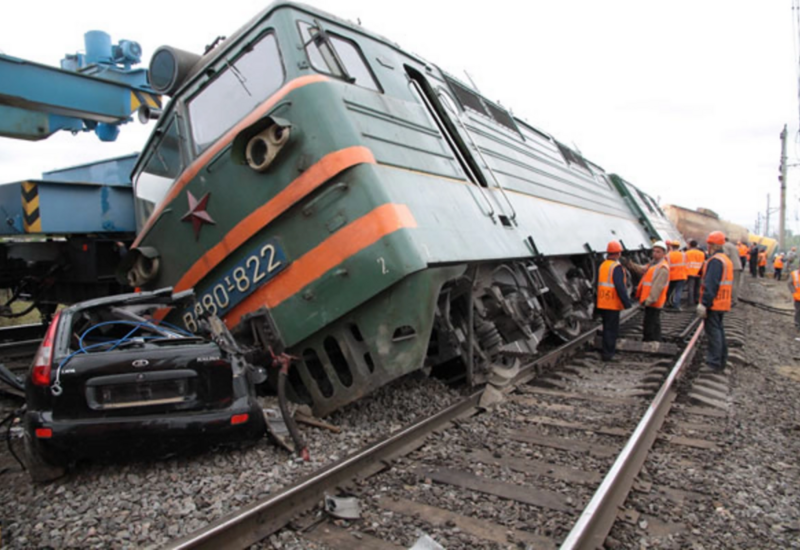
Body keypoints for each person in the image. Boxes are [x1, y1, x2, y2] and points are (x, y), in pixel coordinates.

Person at [697, 231, 733, 372]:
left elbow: (711, 284)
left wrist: (704, 303)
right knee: (719, 331)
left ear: (712, 245)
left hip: (715, 302)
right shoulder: (725, 259)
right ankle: (721, 360)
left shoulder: (715, 261)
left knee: (713, 333)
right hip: (723, 302)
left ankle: (714, 363)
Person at [624, 241, 670, 342]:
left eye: (658, 252)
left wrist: (649, 300)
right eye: (654, 251)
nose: (655, 253)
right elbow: (641, 269)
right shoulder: (653, 264)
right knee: (652, 321)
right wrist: (629, 264)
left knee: (651, 322)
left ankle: (651, 341)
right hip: (650, 299)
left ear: (664, 253)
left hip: (654, 301)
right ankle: (654, 340)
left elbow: (657, 287)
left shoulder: (663, 268)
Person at [596, 240, 633, 361]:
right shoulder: (616, 267)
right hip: (612, 303)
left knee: (606, 327)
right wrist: (626, 303)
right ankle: (608, 354)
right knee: (611, 330)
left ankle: (606, 350)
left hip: (602, 301)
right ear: (618, 253)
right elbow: (620, 286)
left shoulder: (603, 265)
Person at [666, 240, 688, 309]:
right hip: (681, 275)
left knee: (669, 291)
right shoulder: (683, 254)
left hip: (671, 276)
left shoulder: (668, 255)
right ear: (679, 247)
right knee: (678, 291)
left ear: (671, 246)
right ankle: (676, 305)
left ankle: (667, 303)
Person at [722, 237, 743, 304]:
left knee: (731, 283)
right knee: (736, 283)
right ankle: (735, 298)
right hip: (738, 266)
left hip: (732, 266)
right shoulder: (733, 246)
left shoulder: (725, 245)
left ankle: (732, 299)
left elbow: (726, 255)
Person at [685, 240, 706, 305]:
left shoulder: (687, 253)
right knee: (698, 287)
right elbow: (703, 262)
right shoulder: (702, 253)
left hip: (690, 272)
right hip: (699, 272)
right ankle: (697, 300)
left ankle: (690, 302)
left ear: (690, 245)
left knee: (691, 288)